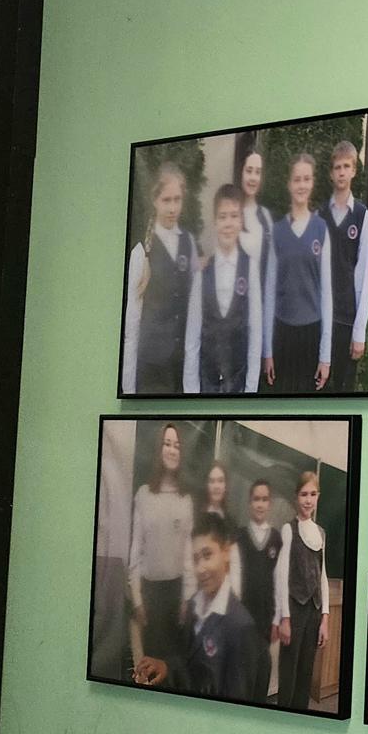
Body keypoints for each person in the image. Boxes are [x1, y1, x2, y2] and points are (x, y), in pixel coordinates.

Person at [133, 513, 262, 700]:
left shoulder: (240, 627)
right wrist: (166, 666)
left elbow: (236, 702)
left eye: (207, 555)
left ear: (226, 553)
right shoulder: (194, 604)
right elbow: (189, 665)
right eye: (196, 559)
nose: (200, 568)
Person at [121, 163, 194, 394]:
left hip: (178, 365)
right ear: (155, 201)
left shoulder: (187, 243)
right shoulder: (141, 252)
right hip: (150, 367)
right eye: (166, 200)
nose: (172, 208)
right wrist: (128, 386)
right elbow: (131, 323)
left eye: (177, 200)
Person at [127, 423, 194, 674]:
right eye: (167, 444)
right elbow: (135, 551)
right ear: (159, 449)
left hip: (175, 595)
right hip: (150, 595)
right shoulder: (144, 495)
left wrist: (186, 598)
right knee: (148, 668)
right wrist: (137, 600)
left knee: (172, 668)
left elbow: (188, 555)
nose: (172, 450)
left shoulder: (185, 499)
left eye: (177, 445)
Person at [263, 153, 332, 392]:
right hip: (283, 335)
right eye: (297, 179)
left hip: (311, 335)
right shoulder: (277, 232)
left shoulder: (321, 229)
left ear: (312, 183)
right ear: (289, 184)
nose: (302, 185)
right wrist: (268, 351)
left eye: (306, 179)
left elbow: (326, 295)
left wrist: (325, 356)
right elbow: (269, 293)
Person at [184, 185, 262, 394]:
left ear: (241, 220)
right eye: (222, 217)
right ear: (215, 222)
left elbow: (255, 332)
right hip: (206, 383)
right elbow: (192, 336)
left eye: (234, 216)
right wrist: (191, 390)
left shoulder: (250, 267)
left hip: (238, 382)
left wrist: (251, 388)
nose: (228, 223)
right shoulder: (203, 272)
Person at [273, 470, 330, 710]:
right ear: (296, 497)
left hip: (314, 611)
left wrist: (325, 618)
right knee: (289, 671)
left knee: (306, 672)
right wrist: (284, 618)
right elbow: (281, 576)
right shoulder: (288, 529)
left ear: (318, 496)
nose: (308, 500)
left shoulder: (321, 533)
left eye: (313, 494)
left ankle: (300, 718)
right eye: (304, 494)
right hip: (294, 610)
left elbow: (322, 575)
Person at [324, 140, 368, 392]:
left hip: (346, 318)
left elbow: (363, 275)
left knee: (342, 389)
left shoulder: (361, 215)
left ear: (354, 170)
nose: (342, 172)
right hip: (322, 318)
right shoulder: (321, 215)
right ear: (331, 173)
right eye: (337, 167)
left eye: (346, 166)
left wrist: (359, 332)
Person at [231, 477, 280, 702]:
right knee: (244, 678)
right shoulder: (239, 536)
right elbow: (233, 580)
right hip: (243, 620)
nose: (260, 504)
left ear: (269, 503)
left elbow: (279, 581)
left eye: (264, 499)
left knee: (262, 674)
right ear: (250, 503)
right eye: (256, 499)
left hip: (265, 621)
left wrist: (276, 619)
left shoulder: (276, 538)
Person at [235, 145, 274, 277]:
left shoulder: (266, 217)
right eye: (249, 171)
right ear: (240, 172)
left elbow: (271, 267)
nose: (253, 177)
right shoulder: (230, 213)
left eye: (258, 172)